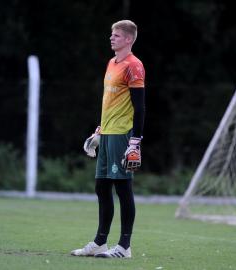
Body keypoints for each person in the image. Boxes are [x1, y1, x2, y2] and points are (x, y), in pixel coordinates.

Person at [71, 20, 145, 259]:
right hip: (107, 134)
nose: (111, 38)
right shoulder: (111, 63)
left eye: (116, 35)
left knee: (123, 188)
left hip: (122, 135)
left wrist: (135, 141)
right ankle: (100, 242)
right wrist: (100, 131)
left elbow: (140, 106)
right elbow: (111, 101)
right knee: (101, 187)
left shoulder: (134, 66)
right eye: (111, 34)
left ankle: (124, 247)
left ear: (128, 39)